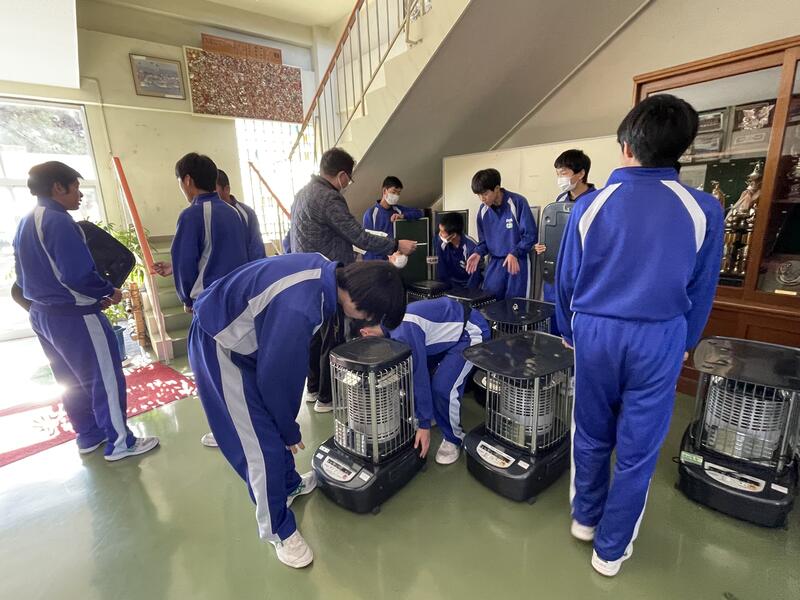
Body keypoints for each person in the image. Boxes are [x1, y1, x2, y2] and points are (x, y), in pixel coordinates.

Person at [556, 94, 723, 577]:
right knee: (639, 447)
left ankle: (585, 519)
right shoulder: (704, 209)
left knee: (590, 430)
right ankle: (610, 551)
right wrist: (685, 342)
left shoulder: (590, 205)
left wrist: (568, 331)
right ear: (682, 149)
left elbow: (566, 280)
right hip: (660, 335)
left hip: (595, 332)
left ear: (626, 145)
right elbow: (702, 286)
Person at [187, 255, 406, 568]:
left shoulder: (325, 272)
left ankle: (289, 485)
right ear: (360, 302)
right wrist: (288, 430)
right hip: (220, 344)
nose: (367, 323)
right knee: (261, 447)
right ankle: (278, 529)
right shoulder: (299, 307)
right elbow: (277, 379)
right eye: (371, 316)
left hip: (248, 339)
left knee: (273, 430)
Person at [12, 161, 159, 461]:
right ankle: (121, 442)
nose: (80, 195)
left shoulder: (25, 222)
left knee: (69, 379)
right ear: (58, 187)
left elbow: (23, 277)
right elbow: (76, 275)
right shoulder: (59, 221)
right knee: (105, 378)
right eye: (76, 188)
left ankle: (89, 434)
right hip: (74, 316)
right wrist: (107, 291)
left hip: (42, 314)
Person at [290, 147, 417, 413]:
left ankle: (313, 388)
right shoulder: (329, 198)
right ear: (342, 175)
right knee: (333, 336)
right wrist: (396, 244)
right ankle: (327, 397)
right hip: (330, 278)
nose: (348, 183)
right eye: (349, 178)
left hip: (307, 276)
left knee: (316, 336)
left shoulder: (302, 194)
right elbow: (357, 235)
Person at [153, 154, 259, 448]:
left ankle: (230, 431)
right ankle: (244, 424)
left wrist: (186, 297)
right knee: (237, 369)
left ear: (187, 180)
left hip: (210, 306)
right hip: (238, 303)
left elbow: (186, 262)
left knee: (214, 374)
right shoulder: (234, 212)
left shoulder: (191, 215)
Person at [361, 296, 490, 465]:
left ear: (365, 333)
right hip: (445, 334)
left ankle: (454, 438)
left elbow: (418, 375)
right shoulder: (390, 324)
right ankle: (433, 413)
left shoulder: (403, 330)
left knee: (443, 388)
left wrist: (424, 425)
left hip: (470, 331)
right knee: (416, 372)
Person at [533, 149, 596, 336]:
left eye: (563, 173)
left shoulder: (596, 201)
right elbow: (555, 233)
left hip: (580, 272)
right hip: (556, 271)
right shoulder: (560, 201)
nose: (560, 179)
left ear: (581, 173)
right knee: (554, 317)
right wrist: (542, 246)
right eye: (558, 174)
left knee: (577, 321)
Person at [465, 169, 537, 300]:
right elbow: (484, 241)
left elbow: (530, 235)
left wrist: (515, 252)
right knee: (489, 301)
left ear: (497, 188)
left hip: (517, 260)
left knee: (515, 304)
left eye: (485, 194)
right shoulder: (483, 210)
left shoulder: (517, 202)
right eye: (479, 195)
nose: (482, 199)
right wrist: (478, 252)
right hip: (495, 263)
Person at [362, 176, 424, 260]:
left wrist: (403, 216)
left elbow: (419, 213)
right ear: (384, 191)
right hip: (380, 261)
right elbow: (367, 243)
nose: (396, 196)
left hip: (398, 258)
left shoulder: (398, 210)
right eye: (394, 192)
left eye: (398, 193)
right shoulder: (371, 214)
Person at [216, 168, 266, 261]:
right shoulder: (208, 216)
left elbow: (257, 249)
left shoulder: (246, 213)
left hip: (246, 268)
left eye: (214, 190)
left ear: (226, 189)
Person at [435, 212, 482, 289]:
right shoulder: (441, 242)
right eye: (439, 230)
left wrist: (466, 293)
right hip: (451, 284)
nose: (440, 234)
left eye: (442, 232)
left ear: (453, 235)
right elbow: (441, 269)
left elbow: (475, 278)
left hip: (468, 285)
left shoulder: (471, 247)